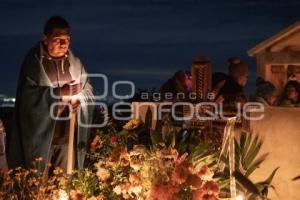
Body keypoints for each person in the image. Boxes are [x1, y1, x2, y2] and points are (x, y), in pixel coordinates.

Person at [7, 16, 94, 172]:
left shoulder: (75, 64)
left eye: (67, 39)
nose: (63, 44)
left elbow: (88, 91)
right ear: (45, 38)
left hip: (67, 139)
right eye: (57, 39)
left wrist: (80, 102)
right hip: (41, 141)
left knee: (63, 184)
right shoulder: (34, 64)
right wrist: (59, 93)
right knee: (40, 185)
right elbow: (28, 99)